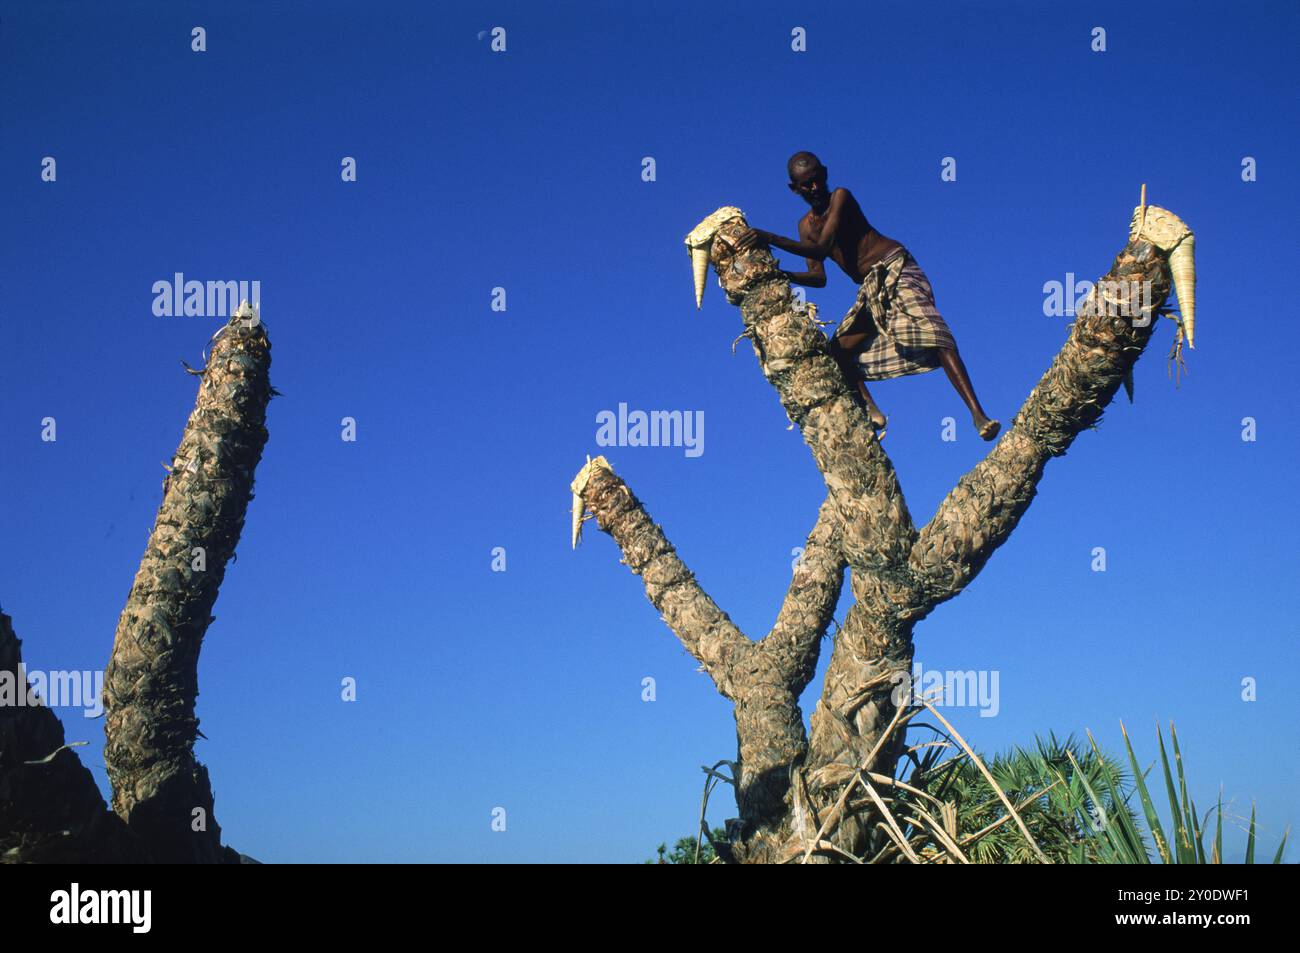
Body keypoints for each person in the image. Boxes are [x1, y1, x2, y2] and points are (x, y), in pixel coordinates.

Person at [737, 151, 1000, 440]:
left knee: (935, 335)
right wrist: (775, 275)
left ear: (824, 174)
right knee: (838, 352)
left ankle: (977, 414)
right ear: (794, 188)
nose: (813, 189)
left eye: (816, 180)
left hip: (895, 267)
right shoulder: (804, 227)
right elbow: (818, 277)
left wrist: (770, 238)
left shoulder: (841, 197)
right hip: (870, 286)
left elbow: (822, 247)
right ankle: (873, 411)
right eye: (805, 185)